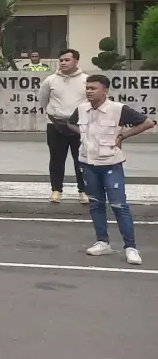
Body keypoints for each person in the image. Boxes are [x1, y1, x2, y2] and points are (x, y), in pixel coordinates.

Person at [65, 74, 154, 265]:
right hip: (88, 164)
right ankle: (102, 242)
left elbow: (147, 122)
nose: (89, 91)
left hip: (111, 164)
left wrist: (123, 136)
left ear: (105, 90)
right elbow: (70, 123)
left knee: (119, 206)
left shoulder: (118, 109)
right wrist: (83, 135)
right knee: (96, 204)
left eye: (93, 88)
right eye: (87, 88)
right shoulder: (81, 109)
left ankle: (131, 248)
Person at [40, 48, 88, 204]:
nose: (63, 63)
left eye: (67, 60)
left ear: (76, 61)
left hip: (79, 125)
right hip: (56, 125)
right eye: (61, 60)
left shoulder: (86, 80)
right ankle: (56, 190)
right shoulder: (50, 80)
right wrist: (54, 114)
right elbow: (43, 100)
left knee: (81, 159)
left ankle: (84, 191)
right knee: (56, 159)